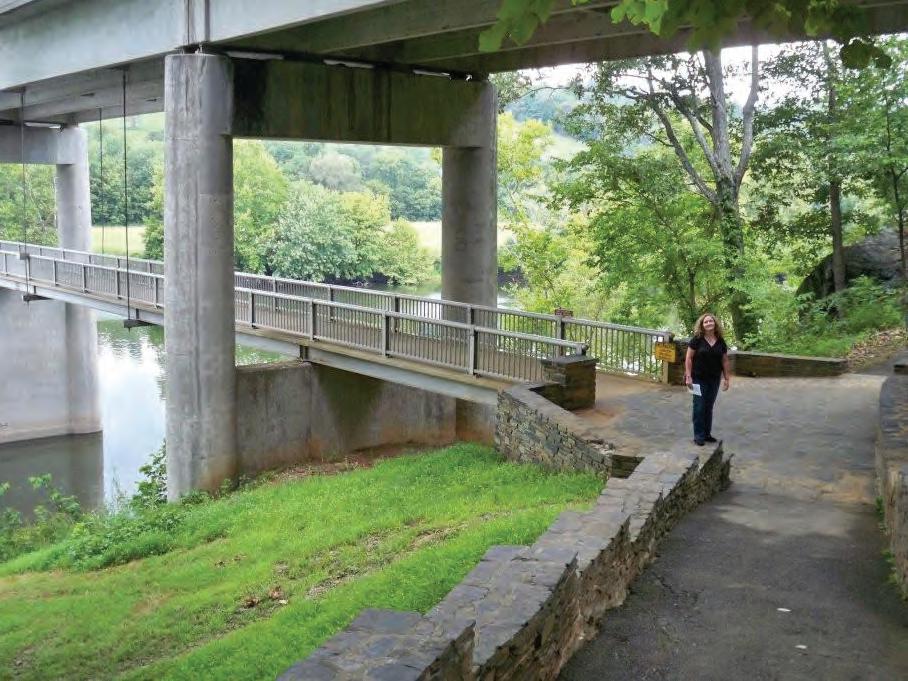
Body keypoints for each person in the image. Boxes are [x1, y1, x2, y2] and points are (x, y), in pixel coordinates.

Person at [684, 312, 731, 446]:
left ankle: (706, 434)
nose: (709, 323)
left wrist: (727, 378)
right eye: (706, 322)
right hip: (698, 378)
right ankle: (698, 435)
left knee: (708, 406)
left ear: (715, 323)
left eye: (711, 321)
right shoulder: (697, 339)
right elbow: (689, 358)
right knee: (699, 406)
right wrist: (688, 376)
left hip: (714, 379)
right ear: (702, 325)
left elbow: (725, 360)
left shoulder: (720, 341)